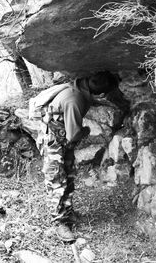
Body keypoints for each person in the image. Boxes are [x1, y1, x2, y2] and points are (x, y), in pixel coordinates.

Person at [30, 71, 129, 241]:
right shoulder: (74, 99)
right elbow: (73, 135)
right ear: (100, 93)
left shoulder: (77, 88)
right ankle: (60, 222)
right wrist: (86, 131)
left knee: (68, 176)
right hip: (54, 142)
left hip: (61, 140)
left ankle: (67, 212)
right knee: (56, 179)